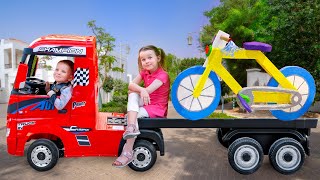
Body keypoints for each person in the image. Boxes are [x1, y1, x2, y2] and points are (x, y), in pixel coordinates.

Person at [112, 45, 170, 167]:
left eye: (150, 57)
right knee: (132, 95)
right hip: (147, 102)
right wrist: (141, 90)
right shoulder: (144, 72)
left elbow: (147, 90)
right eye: (143, 59)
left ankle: (127, 152)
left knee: (132, 112)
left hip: (156, 108)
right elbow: (130, 85)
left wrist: (141, 90)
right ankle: (132, 127)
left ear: (158, 58)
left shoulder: (163, 75)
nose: (147, 61)